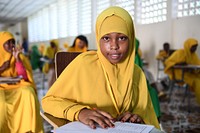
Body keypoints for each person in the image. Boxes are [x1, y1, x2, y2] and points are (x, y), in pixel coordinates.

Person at [42, 6, 160, 129]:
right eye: (106, 38)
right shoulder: (84, 64)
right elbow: (49, 101)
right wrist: (80, 112)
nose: (114, 46)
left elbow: (144, 113)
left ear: (131, 39)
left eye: (122, 38)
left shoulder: (136, 73)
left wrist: (136, 117)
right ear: (98, 39)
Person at [0, 31, 44, 132]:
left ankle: (29, 128)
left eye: (13, 42)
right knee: (1, 103)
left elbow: (24, 76)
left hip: (16, 85)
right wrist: (1, 69)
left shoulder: (19, 56)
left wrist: (17, 59)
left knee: (28, 92)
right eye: (8, 42)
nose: (11, 45)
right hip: (1, 88)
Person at [164, 38, 200, 104]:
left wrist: (193, 70)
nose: (195, 49)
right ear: (188, 46)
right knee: (197, 82)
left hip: (190, 74)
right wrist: (178, 64)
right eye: (193, 47)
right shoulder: (180, 53)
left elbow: (197, 65)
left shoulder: (194, 56)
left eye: (196, 47)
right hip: (180, 74)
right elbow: (167, 62)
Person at [135, 38, 161, 121]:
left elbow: (140, 69)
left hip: (139, 79)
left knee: (152, 91)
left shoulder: (137, 56)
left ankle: (155, 117)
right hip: (133, 83)